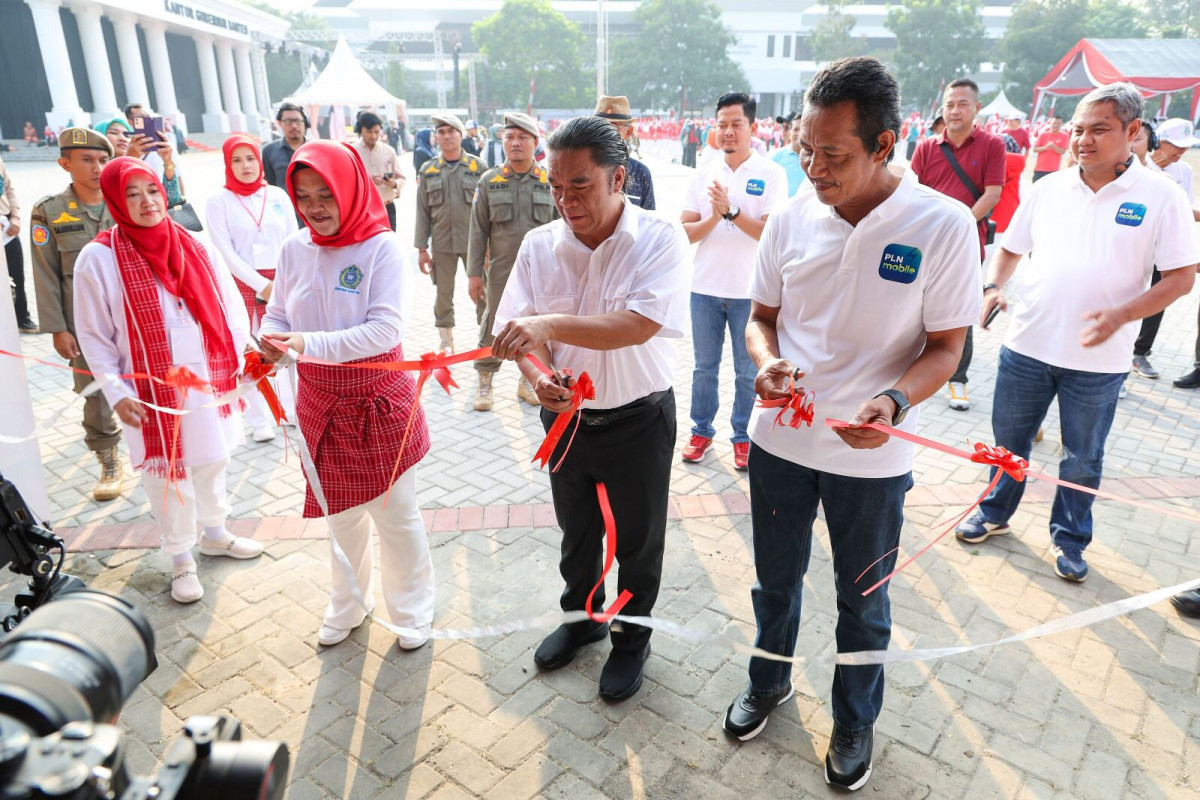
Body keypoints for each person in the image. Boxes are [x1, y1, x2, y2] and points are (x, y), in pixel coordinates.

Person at [721, 58, 979, 792]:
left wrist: (894, 404)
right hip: (780, 441)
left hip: (871, 456)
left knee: (863, 600)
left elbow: (947, 348)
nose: (814, 168)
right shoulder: (794, 214)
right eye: (805, 149)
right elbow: (760, 320)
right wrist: (765, 362)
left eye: (832, 154)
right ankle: (768, 683)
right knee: (775, 582)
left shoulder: (942, 225)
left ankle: (855, 716)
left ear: (885, 144)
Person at [958, 83, 1198, 582]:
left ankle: (1069, 538)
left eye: (1098, 130)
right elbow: (1009, 248)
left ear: (1133, 132)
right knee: (1009, 442)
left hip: (1098, 361)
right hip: (1025, 345)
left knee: (1082, 457)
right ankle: (995, 513)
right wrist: (992, 287)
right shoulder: (1048, 188)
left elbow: (1180, 277)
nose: (1082, 140)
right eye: (1077, 129)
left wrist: (1122, 315)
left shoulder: (1162, 197)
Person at [491, 115, 688, 700]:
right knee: (577, 534)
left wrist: (547, 324)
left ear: (618, 177)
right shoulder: (538, 245)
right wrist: (540, 374)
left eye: (579, 185)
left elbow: (640, 323)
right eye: (555, 185)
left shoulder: (659, 238)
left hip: (639, 420)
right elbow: (516, 334)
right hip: (568, 422)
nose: (565, 199)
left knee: (638, 540)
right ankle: (581, 621)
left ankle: (631, 638)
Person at [259, 141, 436, 651]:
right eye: (304, 195)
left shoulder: (382, 248)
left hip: (377, 402)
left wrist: (303, 345)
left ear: (352, 190)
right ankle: (350, 604)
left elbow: (384, 331)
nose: (315, 207)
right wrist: (272, 342)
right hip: (318, 403)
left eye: (326, 195)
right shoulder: (295, 248)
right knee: (341, 517)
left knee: (396, 516)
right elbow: (278, 314)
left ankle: (413, 611)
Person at [73, 157, 264, 604]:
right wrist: (116, 394)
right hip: (149, 392)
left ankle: (215, 533)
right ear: (116, 200)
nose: (147, 202)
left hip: (209, 377)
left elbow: (230, 307)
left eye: (153, 190)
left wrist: (244, 353)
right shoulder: (98, 258)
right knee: (169, 476)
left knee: (214, 459)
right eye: (133, 194)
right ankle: (181, 559)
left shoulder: (196, 244)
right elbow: (94, 337)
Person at [680, 92, 787, 470]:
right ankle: (701, 432)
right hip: (705, 289)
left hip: (751, 293)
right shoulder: (703, 171)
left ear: (753, 128)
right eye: (722, 124)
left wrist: (732, 210)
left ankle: (742, 437)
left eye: (736, 124)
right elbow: (686, 232)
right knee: (703, 369)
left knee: (747, 372)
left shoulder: (771, 173)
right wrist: (716, 216)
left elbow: (768, 234)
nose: (728, 131)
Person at [30, 129, 124, 502]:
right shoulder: (49, 211)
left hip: (132, 315)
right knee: (95, 391)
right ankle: (108, 458)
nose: (96, 167)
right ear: (64, 163)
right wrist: (56, 328)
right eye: (86, 160)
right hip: (83, 323)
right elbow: (45, 273)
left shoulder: (126, 200)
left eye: (102, 159)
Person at [910, 78, 1004, 412]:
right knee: (913, 307)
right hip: (924, 243)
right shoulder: (926, 147)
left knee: (958, 314)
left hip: (965, 245)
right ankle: (914, 373)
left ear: (977, 108)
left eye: (962, 104)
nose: (954, 110)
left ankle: (957, 380)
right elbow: (912, 193)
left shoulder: (992, 145)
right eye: (949, 104)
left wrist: (958, 225)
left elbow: (992, 193)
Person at [205, 135, 298, 442]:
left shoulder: (276, 195)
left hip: (282, 279)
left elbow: (292, 240)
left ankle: (291, 409)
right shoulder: (219, 201)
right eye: (237, 160)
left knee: (284, 347)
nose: (245, 166)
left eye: (250, 159)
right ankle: (259, 420)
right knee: (251, 352)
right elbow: (226, 253)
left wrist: (280, 282)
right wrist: (261, 285)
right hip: (242, 284)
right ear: (227, 164)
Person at [467, 112, 556, 411]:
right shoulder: (489, 181)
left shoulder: (549, 181)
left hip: (543, 272)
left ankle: (527, 381)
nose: (515, 143)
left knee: (538, 324)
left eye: (522, 137)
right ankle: (485, 380)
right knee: (494, 323)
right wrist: (473, 275)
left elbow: (563, 228)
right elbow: (477, 230)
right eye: (509, 137)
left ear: (535, 142)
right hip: (502, 270)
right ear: (502, 141)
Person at [415, 113, 486, 353]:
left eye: (451, 131)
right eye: (441, 132)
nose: (446, 136)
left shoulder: (479, 168)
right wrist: (422, 249)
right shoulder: (429, 170)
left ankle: (485, 336)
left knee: (482, 291)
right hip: (442, 243)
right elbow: (422, 212)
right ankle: (445, 339)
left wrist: (489, 247)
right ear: (436, 137)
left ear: (461, 134)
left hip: (474, 244)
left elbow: (490, 211)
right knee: (443, 294)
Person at [594, 95, 656, 210]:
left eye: (613, 128)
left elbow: (649, 220)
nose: (606, 135)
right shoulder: (581, 169)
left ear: (629, 132)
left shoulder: (640, 173)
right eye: (600, 128)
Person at [350, 112, 404, 232]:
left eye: (377, 132)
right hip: (363, 210)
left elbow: (401, 177)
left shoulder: (389, 151)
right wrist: (368, 180)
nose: (373, 136)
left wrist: (394, 184)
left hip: (387, 207)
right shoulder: (352, 152)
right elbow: (347, 181)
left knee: (388, 246)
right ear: (360, 130)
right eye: (369, 132)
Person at [1, 155, 35, 333]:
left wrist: (15, 216)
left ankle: (23, 318)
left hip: (7, 226)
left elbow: (9, 188)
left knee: (17, 276)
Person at [263, 104, 309, 192]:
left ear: (305, 123)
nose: (294, 126)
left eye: (298, 121)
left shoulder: (315, 149)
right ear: (280, 123)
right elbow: (269, 185)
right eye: (288, 121)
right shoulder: (269, 151)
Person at [771, 114, 810, 197]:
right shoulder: (776, 156)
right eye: (795, 129)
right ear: (790, 132)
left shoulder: (816, 158)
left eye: (802, 129)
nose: (799, 133)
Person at [1031, 116, 1069, 182]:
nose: (1056, 125)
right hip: (1039, 169)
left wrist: (1053, 146)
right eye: (1054, 123)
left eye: (1058, 123)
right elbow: (1035, 149)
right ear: (1051, 123)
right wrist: (1045, 147)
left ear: (1062, 124)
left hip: (1053, 170)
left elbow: (1062, 151)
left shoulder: (1064, 136)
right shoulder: (1043, 134)